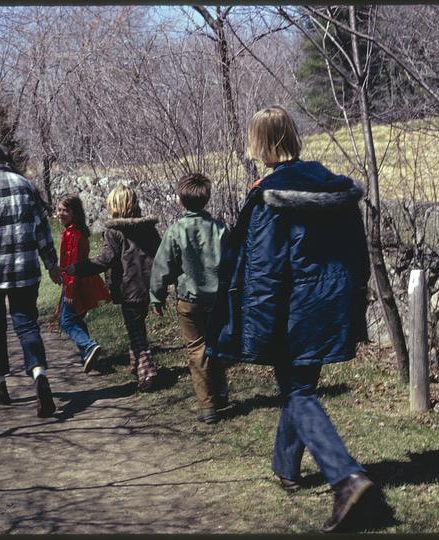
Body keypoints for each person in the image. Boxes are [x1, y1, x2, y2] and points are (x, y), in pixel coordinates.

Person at [215, 105, 373, 532]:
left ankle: (345, 475)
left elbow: (262, 272)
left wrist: (256, 331)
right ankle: (285, 468)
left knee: (297, 393)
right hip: (331, 304)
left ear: (260, 143)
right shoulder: (334, 189)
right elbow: (359, 256)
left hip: (291, 310)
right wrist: (353, 303)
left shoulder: (270, 196)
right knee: (300, 387)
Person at [0, 142, 63, 418]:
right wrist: (52, 265)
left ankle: (0, 386)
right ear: (6, 160)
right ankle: (39, 374)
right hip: (25, 270)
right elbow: (43, 231)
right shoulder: (26, 187)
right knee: (27, 325)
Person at [149, 172, 231, 424]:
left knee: (196, 349)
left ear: (181, 199)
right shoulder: (219, 229)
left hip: (188, 299)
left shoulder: (176, 231)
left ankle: (207, 406)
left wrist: (157, 296)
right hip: (217, 298)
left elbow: (163, 266)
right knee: (215, 344)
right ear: (206, 198)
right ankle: (221, 394)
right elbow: (231, 263)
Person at [66, 184, 162, 391]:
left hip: (129, 289)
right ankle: (136, 365)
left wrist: (77, 268)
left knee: (136, 331)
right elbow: (160, 254)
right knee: (136, 326)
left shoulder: (114, 231)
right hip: (149, 286)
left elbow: (105, 259)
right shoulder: (148, 228)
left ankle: (148, 373)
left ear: (115, 206)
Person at [55, 194, 111, 372]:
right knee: (76, 319)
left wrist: (70, 289)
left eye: (66, 210)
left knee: (66, 321)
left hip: (76, 283)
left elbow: (72, 264)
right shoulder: (76, 231)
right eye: (59, 210)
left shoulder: (72, 234)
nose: (61, 213)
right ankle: (88, 355)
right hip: (81, 281)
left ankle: (88, 346)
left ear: (75, 213)